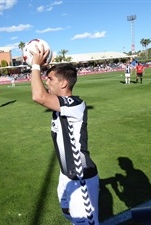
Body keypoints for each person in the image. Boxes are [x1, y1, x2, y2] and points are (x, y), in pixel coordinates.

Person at [30, 47, 99, 225]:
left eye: (50, 79)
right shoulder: (60, 104)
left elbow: (38, 96)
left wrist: (35, 66)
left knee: (83, 222)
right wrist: (46, 67)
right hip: (66, 174)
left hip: (80, 176)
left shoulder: (75, 104)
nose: (47, 82)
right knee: (67, 212)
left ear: (63, 84)